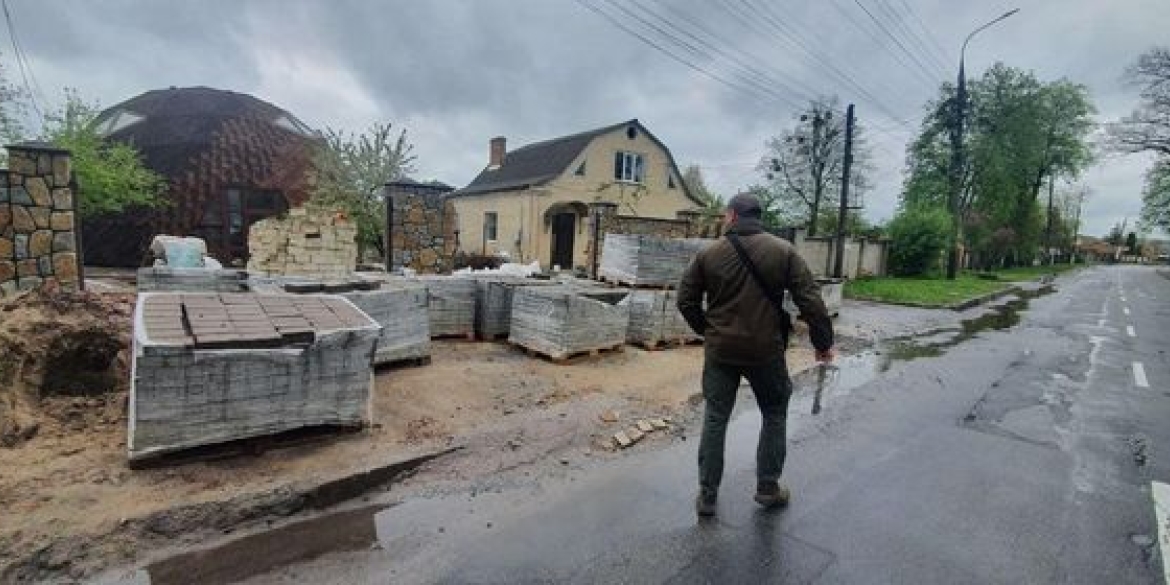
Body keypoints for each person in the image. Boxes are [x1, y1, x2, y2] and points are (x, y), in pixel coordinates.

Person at [677, 192, 834, 517]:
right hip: (766, 351)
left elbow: (686, 300)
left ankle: (707, 496)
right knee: (774, 413)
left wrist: (707, 331)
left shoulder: (708, 254)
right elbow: (812, 302)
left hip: (721, 351)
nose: (723, 220)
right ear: (757, 217)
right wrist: (822, 343)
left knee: (716, 417)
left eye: (724, 216)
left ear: (733, 216)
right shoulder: (784, 251)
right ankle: (767, 488)